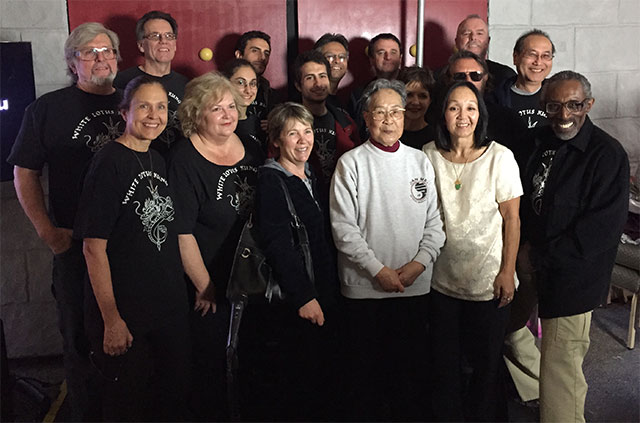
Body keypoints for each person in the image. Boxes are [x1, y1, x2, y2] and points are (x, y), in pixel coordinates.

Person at [8, 22, 124, 421]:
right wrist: (46, 231)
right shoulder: (47, 109)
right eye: (89, 52)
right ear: (72, 62)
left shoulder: (137, 100)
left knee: (134, 340)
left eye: (107, 50)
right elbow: (25, 172)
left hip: (134, 247)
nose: (100, 59)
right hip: (75, 247)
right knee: (80, 341)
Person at [74, 76, 190, 421]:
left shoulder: (157, 158)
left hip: (166, 310)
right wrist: (111, 319)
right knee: (127, 407)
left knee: (168, 403)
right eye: (144, 106)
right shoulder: (109, 162)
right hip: (127, 315)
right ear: (124, 111)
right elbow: (93, 247)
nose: (153, 115)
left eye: (161, 107)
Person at [331, 79, 445, 420]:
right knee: (365, 380)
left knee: (409, 377)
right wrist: (378, 271)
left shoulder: (419, 161)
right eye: (380, 112)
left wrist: (416, 267)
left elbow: (435, 225)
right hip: (365, 290)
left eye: (396, 111)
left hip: (413, 287)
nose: (389, 119)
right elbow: (343, 229)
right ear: (366, 117)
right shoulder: (350, 163)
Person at [522, 71, 629, 423]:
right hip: (526, 261)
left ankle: (559, 410)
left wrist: (539, 257)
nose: (565, 114)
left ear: (589, 105)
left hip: (573, 274)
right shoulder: (538, 142)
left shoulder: (606, 155)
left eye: (574, 105)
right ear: (543, 106)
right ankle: (536, 389)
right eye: (555, 105)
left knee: (562, 364)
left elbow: (597, 232)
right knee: (503, 329)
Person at [167, 71, 264, 420]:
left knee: (253, 365)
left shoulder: (252, 147)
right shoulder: (184, 159)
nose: (228, 114)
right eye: (216, 109)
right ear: (196, 114)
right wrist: (204, 285)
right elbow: (182, 232)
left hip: (254, 280)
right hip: (212, 283)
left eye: (231, 106)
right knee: (211, 369)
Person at [423, 81, 522, 421]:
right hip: (441, 280)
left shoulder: (500, 157)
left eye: (470, 108)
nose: (462, 116)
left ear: (480, 115)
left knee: (486, 366)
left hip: (488, 279)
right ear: (443, 114)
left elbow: (512, 218)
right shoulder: (428, 155)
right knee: (444, 365)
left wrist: (508, 271)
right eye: (453, 108)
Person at [255, 102, 341, 420]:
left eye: (307, 131)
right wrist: (305, 297)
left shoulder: (309, 176)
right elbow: (278, 245)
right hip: (299, 302)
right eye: (293, 133)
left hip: (323, 292)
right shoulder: (272, 181)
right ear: (276, 140)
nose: (303, 139)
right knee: (301, 384)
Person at [114, 11, 189, 154]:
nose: (163, 41)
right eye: (155, 36)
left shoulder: (187, 85)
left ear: (174, 44)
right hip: (137, 162)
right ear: (141, 45)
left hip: (175, 164)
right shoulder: (122, 82)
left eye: (169, 36)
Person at [292, 50, 360, 195]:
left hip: (341, 200)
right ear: (298, 85)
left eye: (322, 76)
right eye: (310, 78)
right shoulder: (287, 124)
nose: (318, 84)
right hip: (304, 202)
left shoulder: (346, 123)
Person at [492, 29, 555, 129]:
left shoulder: (558, 96)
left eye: (545, 56)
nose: (538, 62)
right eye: (532, 54)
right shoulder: (495, 99)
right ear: (515, 57)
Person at [349, 33, 404, 141]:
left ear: (400, 58)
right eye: (381, 52)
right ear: (372, 59)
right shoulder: (358, 95)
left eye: (393, 52)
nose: (388, 57)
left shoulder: (413, 91)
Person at [454, 14, 515, 86]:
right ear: (456, 42)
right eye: (466, 33)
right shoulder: (441, 76)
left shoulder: (505, 76)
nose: (473, 37)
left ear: (488, 41)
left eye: (479, 33)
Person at [223, 58, 267, 151]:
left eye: (253, 83)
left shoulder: (260, 125)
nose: (248, 90)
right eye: (240, 83)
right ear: (226, 83)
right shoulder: (219, 123)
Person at [235, 30, 274, 127]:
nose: (262, 57)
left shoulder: (270, 94)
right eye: (255, 51)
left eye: (266, 53)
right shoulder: (221, 89)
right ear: (239, 55)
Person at [398, 65, 437, 150]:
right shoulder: (389, 134)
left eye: (422, 96)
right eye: (409, 95)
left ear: (430, 100)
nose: (415, 102)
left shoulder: (436, 138)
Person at [314, 33, 350, 109]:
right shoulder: (310, 101)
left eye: (342, 57)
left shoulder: (345, 103)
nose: (337, 61)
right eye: (330, 56)